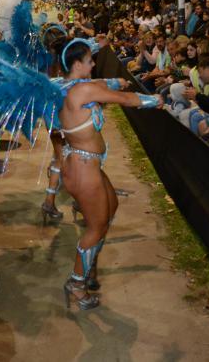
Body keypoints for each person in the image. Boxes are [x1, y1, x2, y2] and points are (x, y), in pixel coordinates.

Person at [56, 38, 162, 310]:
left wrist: (116, 81)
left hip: (88, 165)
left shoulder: (70, 86)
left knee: (110, 207)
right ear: (77, 64)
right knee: (96, 226)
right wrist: (153, 99)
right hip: (82, 167)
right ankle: (77, 284)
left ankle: (88, 267)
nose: (93, 65)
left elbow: (104, 85)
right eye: (90, 61)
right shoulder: (81, 92)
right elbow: (123, 99)